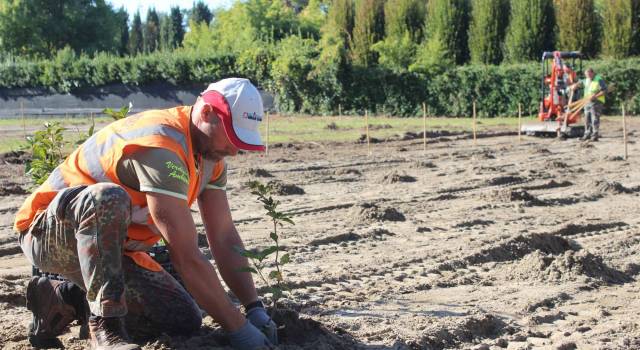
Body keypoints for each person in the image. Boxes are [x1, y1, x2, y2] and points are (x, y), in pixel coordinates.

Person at [15, 78, 277, 350]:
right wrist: (238, 329)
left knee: (182, 319)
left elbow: (223, 236)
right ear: (207, 112)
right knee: (108, 198)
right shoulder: (161, 144)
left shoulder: (211, 158)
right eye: (231, 135)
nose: (235, 149)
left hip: (110, 254)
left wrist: (253, 308)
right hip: (47, 233)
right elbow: (186, 256)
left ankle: (62, 298)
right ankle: (107, 330)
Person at [572, 68, 607, 141]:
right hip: (587, 101)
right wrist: (575, 85)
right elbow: (581, 82)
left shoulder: (599, 79)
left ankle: (595, 135)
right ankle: (587, 134)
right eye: (586, 75)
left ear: (593, 73)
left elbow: (604, 90)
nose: (588, 76)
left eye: (589, 75)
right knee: (587, 118)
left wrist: (595, 96)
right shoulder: (587, 80)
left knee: (594, 118)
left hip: (596, 101)